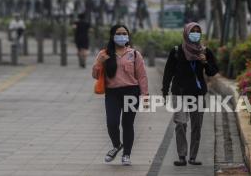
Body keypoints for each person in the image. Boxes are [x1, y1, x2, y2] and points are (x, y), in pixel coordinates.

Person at [161, 22, 219, 166]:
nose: (195, 34)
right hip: (179, 93)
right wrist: (164, 91)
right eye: (192, 31)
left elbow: (213, 71)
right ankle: (182, 155)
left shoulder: (205, 51)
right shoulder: (176, 51)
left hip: (198, 94)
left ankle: (193, 156)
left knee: (197, 126)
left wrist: (205, 62)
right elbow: (168, 72)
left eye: (198, 31)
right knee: (180, 124)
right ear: (186, 33)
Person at [92, 24, 149, 166]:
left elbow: (142, 76)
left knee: (127, 124)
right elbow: (95, 75)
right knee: (112, 123)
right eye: (119, 33)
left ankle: (126, 154)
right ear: (112, 36)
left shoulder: (134, 54)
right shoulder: (104, 54)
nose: (122, 36)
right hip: (112, 93)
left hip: (131, 92)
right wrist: (99, 63)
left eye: (125, 33)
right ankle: (117, 145)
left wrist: (145, 95)